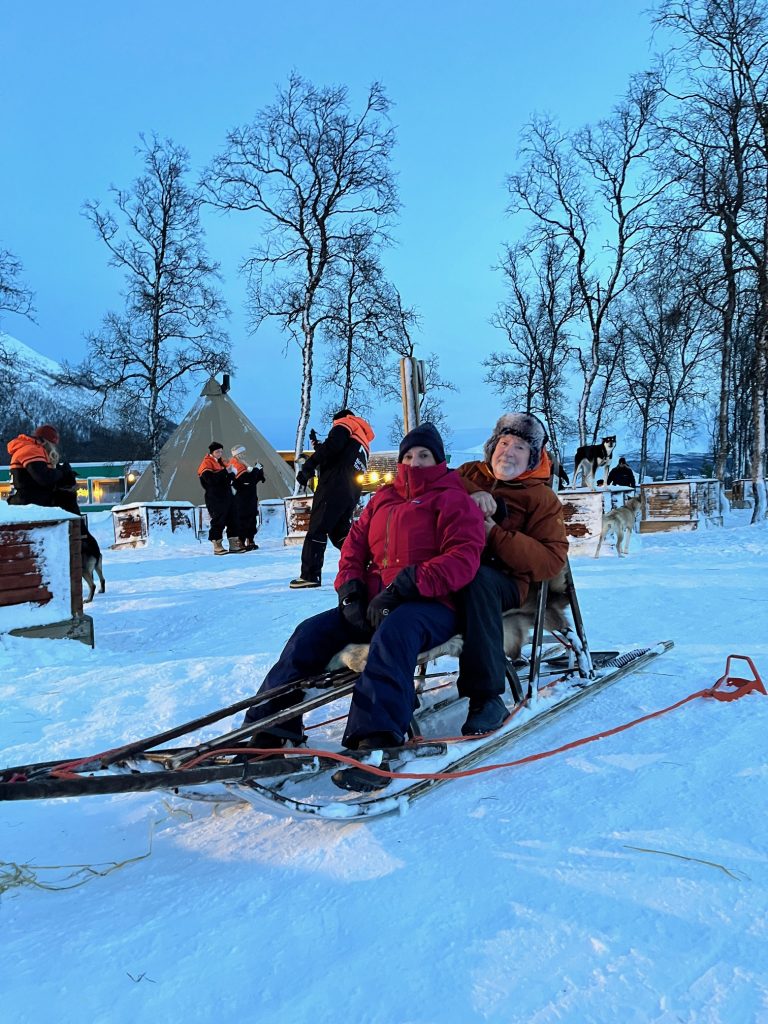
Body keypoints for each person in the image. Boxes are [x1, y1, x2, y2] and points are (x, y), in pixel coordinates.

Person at [242, 422, 486, 792]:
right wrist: (351, 591)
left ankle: (378, 738)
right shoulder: (382, 499)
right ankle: (270, 730)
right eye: (409, 455)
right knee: (310, 632)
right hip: (374, 603)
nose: (415, 462)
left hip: (431, 604)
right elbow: (354, 549)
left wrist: (407, 584)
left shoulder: (453, 498)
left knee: (396, 632)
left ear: (438, 460)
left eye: (424, 456)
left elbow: (463, 558)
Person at [454, 413, 569, 735]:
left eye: (519, 447)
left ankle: (486, 697)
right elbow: (435, 483)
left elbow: (550, 561)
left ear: (532, 457)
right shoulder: (467, 474)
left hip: (505, 582)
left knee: (477, 582)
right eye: (504, 443)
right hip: (452, 568)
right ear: (492, 447)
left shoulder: (541, 498)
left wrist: (495, 534)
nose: (509, 451)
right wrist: (472, 493)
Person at [290, 408, 375, 589]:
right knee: (340, 533)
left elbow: (333, 447)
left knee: (318, 528)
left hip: (334, 486)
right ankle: (367, 562)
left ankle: (310, 575)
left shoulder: (345, 423)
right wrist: (318, 446)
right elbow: (336, 453)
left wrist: (309, 466)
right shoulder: (363, 442)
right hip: (351, 490)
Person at [6, 424, 77, 507]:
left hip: (27, 498)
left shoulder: (29, 449)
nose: (53, 448)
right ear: (45, 442)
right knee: (67, 499)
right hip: (31, 501)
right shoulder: (32, 449)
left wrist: (63, 476)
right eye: (52, 444)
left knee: (66, 497)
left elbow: (41, 476)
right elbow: (44, 478)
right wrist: (62, 473)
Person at [197, 441, 243, 555]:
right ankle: (217, 545)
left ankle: (233, 544)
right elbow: (210, 480)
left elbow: (228, 479)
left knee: (233, 518)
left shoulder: (222, 463)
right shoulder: (206, 464)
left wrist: (231, 473)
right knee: (219, 520)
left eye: (221, 451)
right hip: (215, 497)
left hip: (227, 495)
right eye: (217, 451)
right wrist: (225, 472)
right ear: (212, 452)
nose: (220, 453)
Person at [228, 444, 265, 551]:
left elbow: (252, 480)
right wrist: (256, 470)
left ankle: (250, 539)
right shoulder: (236, 465)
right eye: (242, 453)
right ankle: (241, 540)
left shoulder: (242, 463)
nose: (244, 454)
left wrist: (259, 472)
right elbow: (246, 480)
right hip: (241, 498)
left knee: (251, 517)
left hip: (249, 496)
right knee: (243, 518)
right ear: (237, 454)